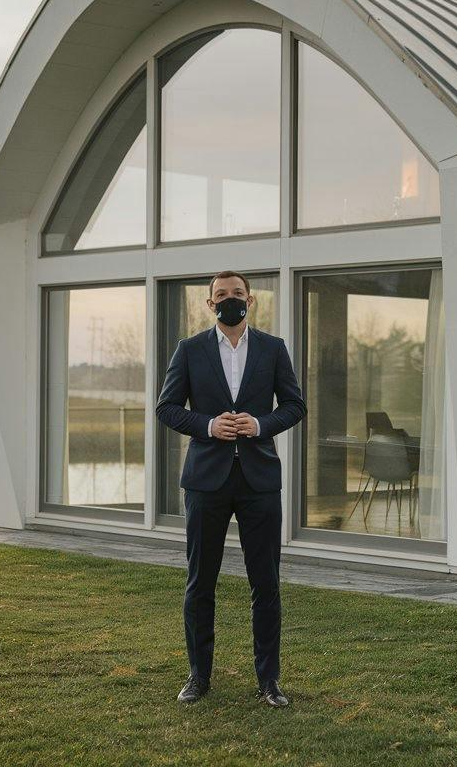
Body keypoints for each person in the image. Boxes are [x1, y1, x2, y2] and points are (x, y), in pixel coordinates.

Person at [155, 270, 307, 708]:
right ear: (210, 304)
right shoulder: (190, 350)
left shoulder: (273, 349)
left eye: (236, 294)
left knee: (267, 584)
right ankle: (198, 676)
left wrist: (260, 424)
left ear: (250, 300)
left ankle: (269, 682)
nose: (229, 300)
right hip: (206, 481)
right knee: (201, 582)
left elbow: (295, 405)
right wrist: (208, 424)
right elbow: (166, 407)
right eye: (220, 295)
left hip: (259, 480)